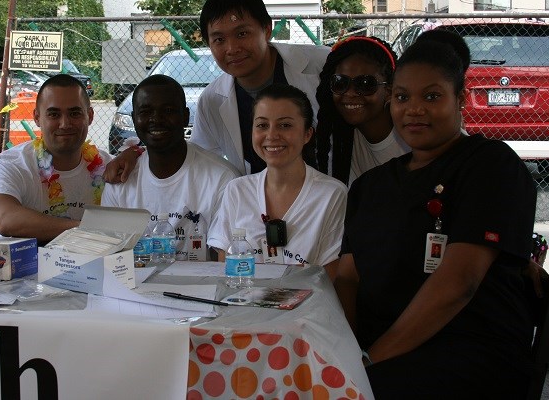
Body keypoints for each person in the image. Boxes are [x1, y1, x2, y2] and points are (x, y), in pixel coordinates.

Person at [335, 31, 536, 398]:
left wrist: (367, 362)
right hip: (377, 347)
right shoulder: (371, 186)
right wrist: (347, 351)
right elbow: (348, 278)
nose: (414, 109)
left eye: (431, 96)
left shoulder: (490, 166)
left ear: (460, 99)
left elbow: (460, 282)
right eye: (401, 97)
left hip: (467, 349)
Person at [104, 0, 330, 182]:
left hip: (337, 196)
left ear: (267, 29)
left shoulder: (322, 66)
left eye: (242, 33)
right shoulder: (212, 100)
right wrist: (136, 154)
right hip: (262, 208)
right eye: (219, 39)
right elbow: (196, 156)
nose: (232, 48)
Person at [208, 84, 347, 281]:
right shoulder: (237, 190)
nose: (272, 135)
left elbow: (330, 278)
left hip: (306, 310)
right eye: (262, 125)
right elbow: (225, 270)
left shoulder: (331, 194)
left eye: (285, 125)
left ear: (307, 134)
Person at [102, 74, 239, 260]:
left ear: (185, 117)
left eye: (168, 110)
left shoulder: (222, 178)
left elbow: (222, 260)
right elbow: (111, 256)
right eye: (145, 112)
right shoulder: (120, 179)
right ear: (134, 119)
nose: (156, 119)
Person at [0, 74, 111, 245]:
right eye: (53, 114)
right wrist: (86, 230)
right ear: (37, 117)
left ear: (90, 116)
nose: (65, 124)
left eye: (74, 113)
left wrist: (132, 154)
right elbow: (6, 220)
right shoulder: (8, 166)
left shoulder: (109, 167)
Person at [315, 36, 409, 185]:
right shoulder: (342, 139)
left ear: (389, 91)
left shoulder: (413, 140)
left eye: (365, 84)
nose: (350, 93)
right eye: (340, 83)